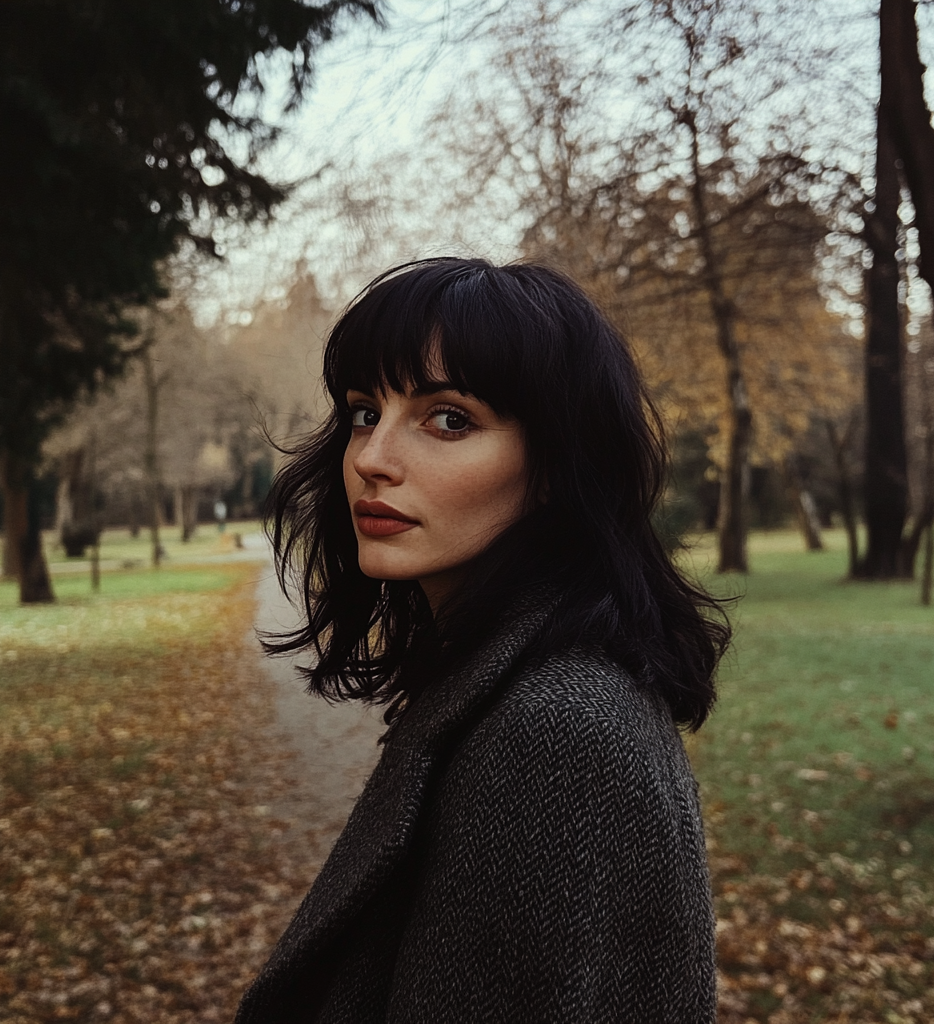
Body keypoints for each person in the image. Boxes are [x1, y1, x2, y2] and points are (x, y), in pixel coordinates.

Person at [235, 257, 730, 1024]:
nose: (371, 459)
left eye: (449, 419)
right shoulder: (507, 684)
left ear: (557, 467)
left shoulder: (557, 733)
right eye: (366, 412)